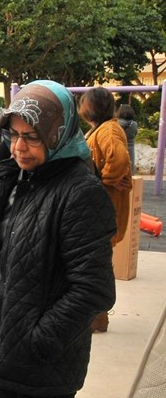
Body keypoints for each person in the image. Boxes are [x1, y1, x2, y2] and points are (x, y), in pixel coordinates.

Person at [0, 80, 116, 398]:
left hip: (43, 358)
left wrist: (39, 339)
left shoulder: (79, 191)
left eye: (32, 137)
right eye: (13, 136)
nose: (19, 147)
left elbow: (94, 288)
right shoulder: (18, 180)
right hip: (8, 345)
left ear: (59, 134)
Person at [80, 87, 132, 333]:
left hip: (104, 210)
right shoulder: (100, 129)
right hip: (100, 209)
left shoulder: (109, 130)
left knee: (97, 263)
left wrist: (105, 181)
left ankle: (98, 317)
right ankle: (96, 316)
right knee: (97, 262)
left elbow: (119, 159)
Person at [116, 103, 138, 174]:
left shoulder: (116, 123)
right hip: (130, 146)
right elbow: (135, 134)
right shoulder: (134, 124)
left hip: (119, 145)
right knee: (130, 165)